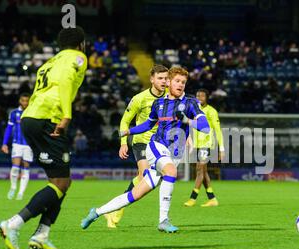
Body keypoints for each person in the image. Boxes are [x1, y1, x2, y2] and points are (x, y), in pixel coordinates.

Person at [81, 66, 210, 232]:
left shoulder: (190, 103)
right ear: (169, 82)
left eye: (183, 82)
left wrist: (187, 121)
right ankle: (163, 221)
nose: (180, 85)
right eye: (177, 81)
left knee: (135, 195)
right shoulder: (159, 103)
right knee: (170, 172)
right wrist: (129, 132)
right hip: (156, 147)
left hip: (173, 154)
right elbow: (149, 124)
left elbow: (205, 127)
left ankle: (97, 212)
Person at [0, 27, 87, 249]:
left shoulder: (49, 62)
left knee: (60, 182)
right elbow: (66, 81)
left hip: (30, 119)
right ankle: (13, 224)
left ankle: (42, 235)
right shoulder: (78, 57)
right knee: (61, 183)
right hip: (49, 119)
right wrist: (66, 114)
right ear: (81, 44)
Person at [104, 65, 168, 228]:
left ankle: (113, 209)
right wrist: (123, 143)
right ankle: (116, 212)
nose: (164, 81)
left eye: (166, 78)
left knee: (145, 180)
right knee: (146, 174)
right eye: (160, 78)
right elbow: (125, 120)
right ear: (152, 79)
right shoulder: (139, 98)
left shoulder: (169, 98)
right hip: (140, 141)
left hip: (158, 143)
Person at [184, 89, 225, 207]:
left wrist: (221, 148)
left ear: (207, 97)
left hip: (206, 144)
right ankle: (212, 198)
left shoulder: (211, 111)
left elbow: (218, 130)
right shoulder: (194, 111)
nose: (200, 98)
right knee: (203, 171)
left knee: (199, 169)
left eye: (202, 96)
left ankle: (193, 198)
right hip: (197, 145)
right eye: (197, 95)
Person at [1, 93, 33, 200]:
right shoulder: (14, 113)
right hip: (17, 144)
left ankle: (21, 193)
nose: (25, 103)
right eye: (23, 101)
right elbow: (9, 129)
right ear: (20, 101)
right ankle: (13, 187)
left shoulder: (33, 112)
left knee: (26, 167)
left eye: (27, 101)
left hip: (29, 145)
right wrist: (5, 143)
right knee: (15, 166)